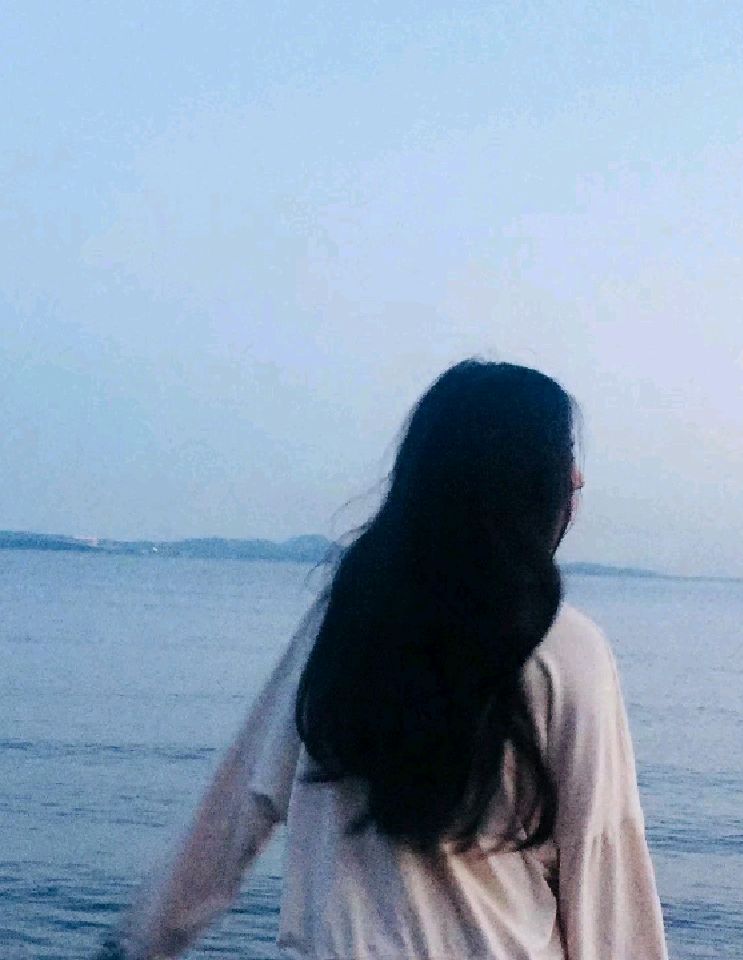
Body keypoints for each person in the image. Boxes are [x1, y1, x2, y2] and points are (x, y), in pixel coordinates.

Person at [94, 358, 669, 960]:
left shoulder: (346, 624)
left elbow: (236, 806)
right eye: (562, 457)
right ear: (525, 481)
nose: (577, 478)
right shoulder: (563, 648)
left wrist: (138, 944)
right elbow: (604, 866)